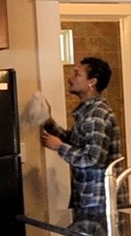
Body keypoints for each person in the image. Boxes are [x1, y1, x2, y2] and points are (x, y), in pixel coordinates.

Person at [40, 56, 122, 226]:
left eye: (77, 74)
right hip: (87, 198)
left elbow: (93, 158)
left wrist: (60, 147)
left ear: (92, 82)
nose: (70, 78)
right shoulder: (89, 111)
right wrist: (48, 122)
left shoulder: (96, 114)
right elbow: (78, 143)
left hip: (97, 201)